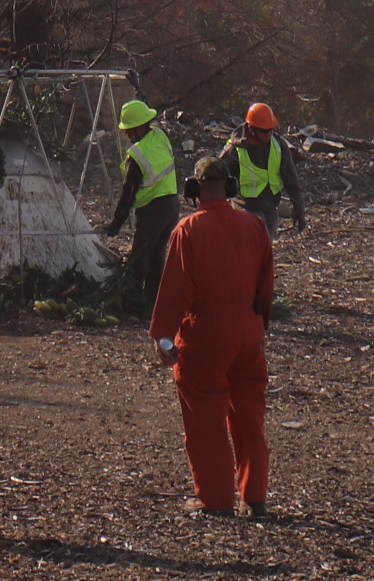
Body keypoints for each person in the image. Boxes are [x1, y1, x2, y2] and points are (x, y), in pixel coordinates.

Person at [151, 154, 276, 520]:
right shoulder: (254, 226)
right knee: (250, 417)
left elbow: (175, 289)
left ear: (194, 190)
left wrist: (163, 337)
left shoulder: (188, 230)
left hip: (205, 333)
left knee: (205, 417)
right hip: (248, 333)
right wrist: (258, 328)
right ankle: (255, 498)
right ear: (231, 188)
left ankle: (217, 500)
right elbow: (266, 285)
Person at [102, 99, 183, 310]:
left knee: (139, 256)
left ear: (138, 127)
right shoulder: (159, 135)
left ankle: (135, 303)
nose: (126, 135)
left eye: (128, 130)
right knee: (156, 256)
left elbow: (128, 193)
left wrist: (115, 225)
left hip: (154, 208)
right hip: (172, 205)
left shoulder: (137, 154)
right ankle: (153, 302)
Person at [209, 103, 306, 237]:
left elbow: (291, 180)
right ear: (251, 128)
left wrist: (299, 209)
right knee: (256, 244)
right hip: (245, 207)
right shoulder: (235, 149)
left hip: (270, 207)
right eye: (264, 131)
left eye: (271, 130)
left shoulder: (278, 146)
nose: (269, 134)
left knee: (264, 251)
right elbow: (217, 177)